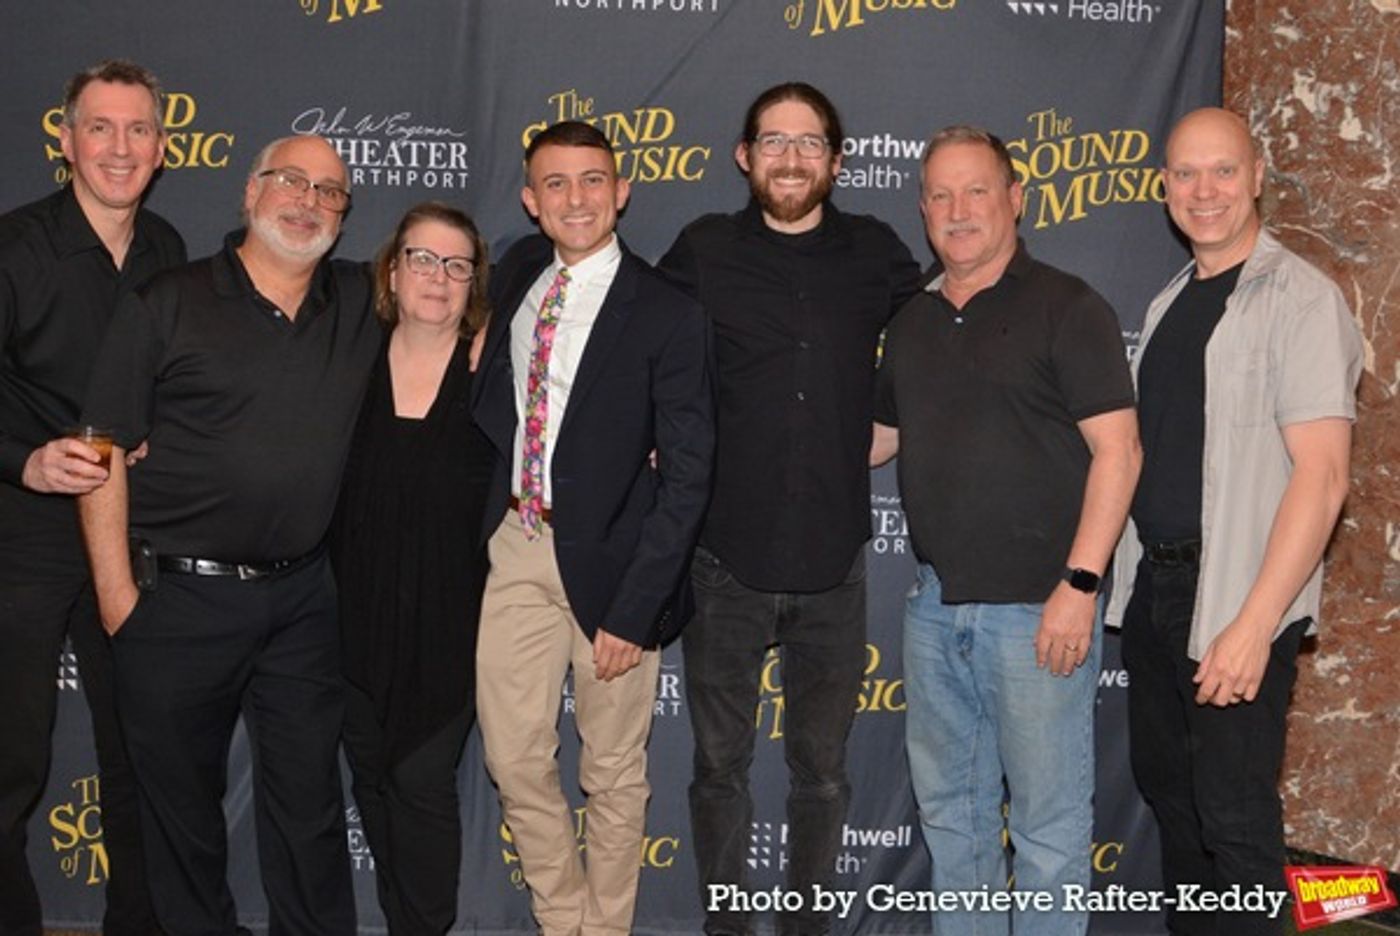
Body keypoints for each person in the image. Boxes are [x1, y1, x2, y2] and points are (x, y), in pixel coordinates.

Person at [77, 134, 380, 936]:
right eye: (291, 181)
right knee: (179, 820)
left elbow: (460, 301)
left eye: (330, 192)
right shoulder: (166, 302)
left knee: (310, 805)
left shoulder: (359, 301)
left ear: (345, 220)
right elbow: (102, 448)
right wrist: (118, 602)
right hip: (175, 600)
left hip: (302, 601)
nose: (308, 201)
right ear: (250, 192)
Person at [658, 81, 920, 936]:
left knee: (823, 774)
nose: (792, 158)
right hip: (724, 561)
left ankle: (809, 928)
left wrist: (889, 412)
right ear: (745, 156)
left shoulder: (876, 251)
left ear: (838, 162)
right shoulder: (702, 249)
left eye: (810, 143)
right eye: (774, 140)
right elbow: (637, 337)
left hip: (834, 564)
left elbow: (932, 339)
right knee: (719, 770)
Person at [871, 125, 1140, 936]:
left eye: (976, 190)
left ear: (1015, 199)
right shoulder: (911, 320)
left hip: (1039, 615)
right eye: (941, 195)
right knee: (954, 824)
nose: (959, 211)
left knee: (1049, 835)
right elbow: (876, 440)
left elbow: (1118, 452)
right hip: (935, 611)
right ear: (922, 210)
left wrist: (1079, 586)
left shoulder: (1069, 306)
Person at [1105, 107, 1362, 936]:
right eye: (1185, 173)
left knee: (1236, 826)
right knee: (1177, 812)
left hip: (1235, 599)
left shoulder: (1300, 298)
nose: (1204, 190)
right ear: (1164, 189)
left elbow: (1322, 478)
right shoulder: (1172, 299)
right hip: (1158, 594)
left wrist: (1254, 625)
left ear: (1256, 175)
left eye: (1222, 170)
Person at [472, 120, 713, 936]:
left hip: (616, 564)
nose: (576, 198)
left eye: (592, 180)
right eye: (556, 183)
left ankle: (604, 929)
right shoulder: (515, 280)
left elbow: (687, 476)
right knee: (512, 757)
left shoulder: (668, 311)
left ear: (622, 190)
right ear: (530, 201)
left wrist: (636, 606)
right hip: (518, 545)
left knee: (611, 771)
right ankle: (562, 915)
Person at [0, 59, 184, 936]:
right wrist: (22, 462)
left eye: (138, 129)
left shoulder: (168, 250)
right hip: (22, 535)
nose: (120, 147)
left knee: (141, 753)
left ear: (161, 145)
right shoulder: (11, 248)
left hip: (129, 530)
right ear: (66, 140)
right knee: (8, 761)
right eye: (101, 128)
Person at [331, 201, 494, 935]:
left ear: (473, 286)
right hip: (347, 622)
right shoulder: (343, 362)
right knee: (370, 780)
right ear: (391, 272)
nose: (438, 276)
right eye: (421, 259)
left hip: (452, 627)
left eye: (456, 265)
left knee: (419, 783)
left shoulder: (495, 381)